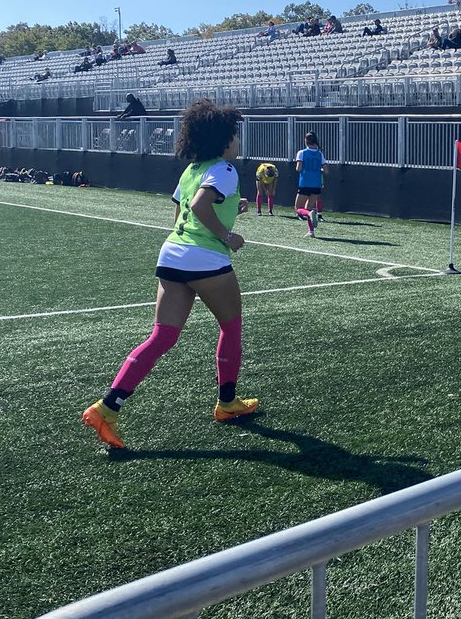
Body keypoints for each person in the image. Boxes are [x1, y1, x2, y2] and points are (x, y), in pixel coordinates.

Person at [81, 100, 257, 449]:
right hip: (206, 259)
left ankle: (107, 407)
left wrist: (228, 208)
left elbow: (182, 211)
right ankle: (227, 403)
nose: (238, 142)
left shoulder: (192, 170)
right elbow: (199, 206)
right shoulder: (224, 169)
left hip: (172, 254)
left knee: (161, 337)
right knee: (231, 327)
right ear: (222, 139)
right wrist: (226, 236)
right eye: (235, 136)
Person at [295, 131, 327, 237]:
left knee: (298, 208)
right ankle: (311, 231)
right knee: (309, 207)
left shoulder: (302, 153)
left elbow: (298, 168)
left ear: (306, 141)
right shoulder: (319, 154)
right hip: (316, 184)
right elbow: (326, 170)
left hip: (305, 183)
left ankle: (309, 215)